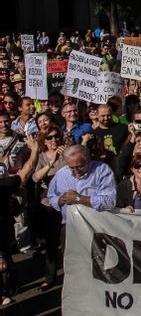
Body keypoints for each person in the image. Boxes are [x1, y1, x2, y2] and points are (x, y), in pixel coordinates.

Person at [0, 134, 38, 305]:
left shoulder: (3, 186)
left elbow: (23, 175)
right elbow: (26, 172)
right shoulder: (3, 186)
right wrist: (35, 150)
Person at [30, 128, 65, 289]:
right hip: (48, 204)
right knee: (51, 244)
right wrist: (52, 162)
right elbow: (36, 177)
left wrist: (66, 156)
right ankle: (50, 277)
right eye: (50, 137)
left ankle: (72, 277)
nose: (54, 139)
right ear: (44, 141)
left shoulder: (66, 153)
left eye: (57, 136)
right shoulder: (42, 157)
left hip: (67, 203)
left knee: (68, 242)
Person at [47, 144, 117, 223]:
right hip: (70, 225)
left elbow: (109, 201)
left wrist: (79, 199)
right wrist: (60, 200)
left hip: (96, 225)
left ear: (88, 160)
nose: (76, 171)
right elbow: (51, 197)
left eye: (80, 166)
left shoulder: (102, 171)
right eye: (72, 168)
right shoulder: (61, 174)